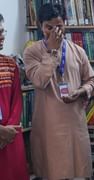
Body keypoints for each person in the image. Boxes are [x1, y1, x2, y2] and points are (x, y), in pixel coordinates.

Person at [23, 3, 94, 180]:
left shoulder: (78, 51)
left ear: (65, 24)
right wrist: (53, 52)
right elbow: (40, 80)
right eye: (49, 27)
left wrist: (81, 91)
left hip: (74, 124)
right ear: (40, 26)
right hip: (48, 126)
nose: (55, 31)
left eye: (59, 27)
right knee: (52, 173)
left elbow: (92, 80)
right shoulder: (31, 53)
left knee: (78, 172)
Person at [0, 13, 29, 180]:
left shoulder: (11, 65)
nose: (2, 36)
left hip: (11, 135)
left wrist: (7, 131)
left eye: (3, 31)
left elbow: (17, 101)